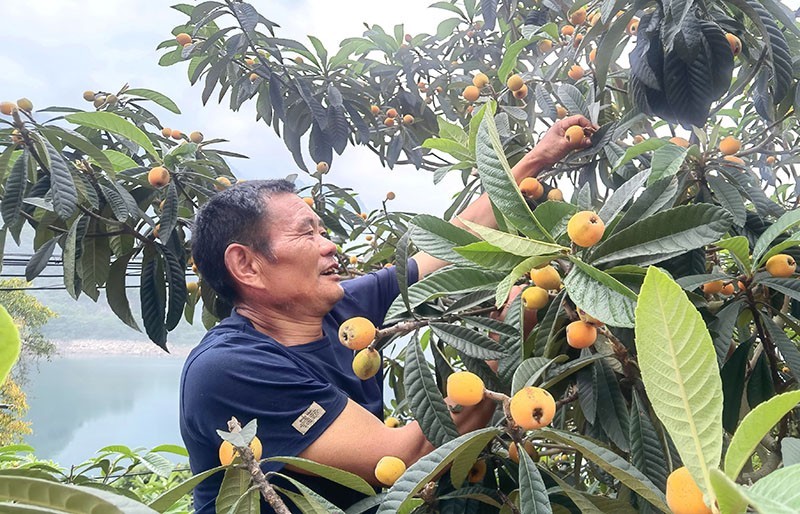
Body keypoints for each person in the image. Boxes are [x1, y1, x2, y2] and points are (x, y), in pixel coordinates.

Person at [179, 115, 593, 513]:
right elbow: (402, 459)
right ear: (247, 265)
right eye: (307, 232)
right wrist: (499, 341)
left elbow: (451, 245)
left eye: (323, 230)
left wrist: (540, 156)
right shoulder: (230, 369)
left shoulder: (342, 310)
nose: (329, 246)